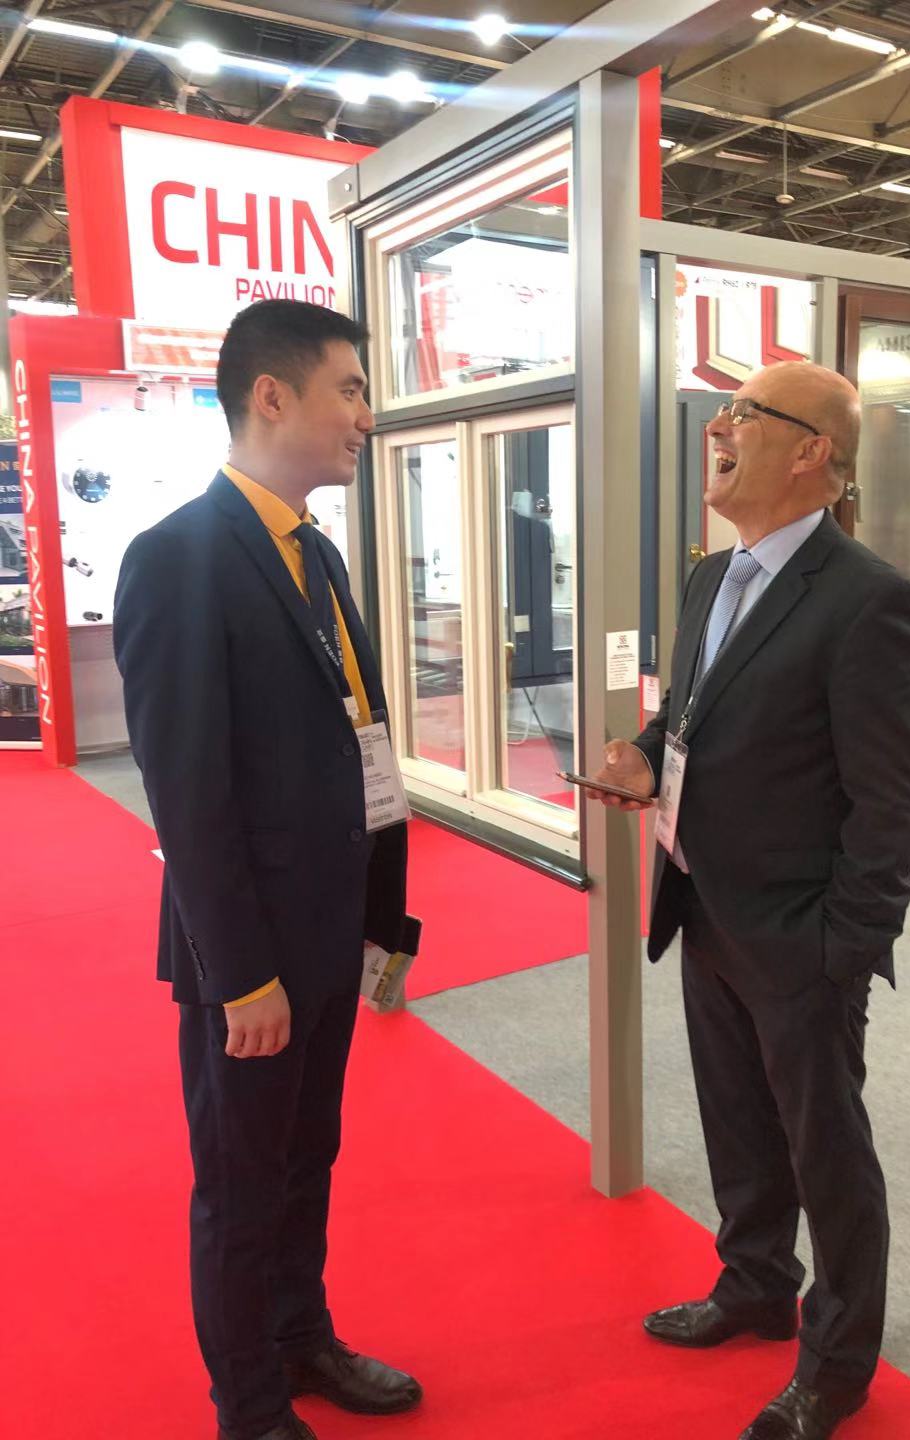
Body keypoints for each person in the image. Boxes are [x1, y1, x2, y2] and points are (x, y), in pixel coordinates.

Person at [588, 362, 910, 1440]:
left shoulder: (871, 600)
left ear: (812, 453)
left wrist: (843, 948)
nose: (718, 429)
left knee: (827, 1154)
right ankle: (753, 1287)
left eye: (745, 414)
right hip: (703, 905)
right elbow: (692, 718)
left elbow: (893, 801)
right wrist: (644, 754)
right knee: (738, 1123)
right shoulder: (711, 579)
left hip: (801, 940)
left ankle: (836, 1363)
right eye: (725, 411)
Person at [114, 300, 420, 1440]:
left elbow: (354, 738)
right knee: (242, 1185)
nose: (367, 416)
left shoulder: (315, 552)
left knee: (305, 1161)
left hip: (329, 931)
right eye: (351, 390)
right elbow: (188, 796)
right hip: (249, 956)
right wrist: (240, 974)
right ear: (272, 397)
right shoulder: (178, 558)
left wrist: (380, 915)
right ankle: (247, 1406)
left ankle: (303, 1339)